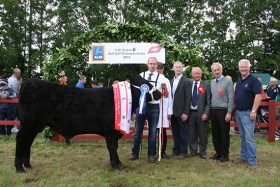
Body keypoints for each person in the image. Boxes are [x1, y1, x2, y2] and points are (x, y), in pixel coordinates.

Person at [130, 57, 166, 163]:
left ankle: (151, 155)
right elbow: (135, 92)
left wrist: (165, 89)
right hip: (142, 106)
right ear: (147, 64)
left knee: (153, 132)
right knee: (137, 131)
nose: (153, 65)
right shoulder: (142, 75)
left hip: (155, 107)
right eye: (151, 63)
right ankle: (134, 153)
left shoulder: (161, 78)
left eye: (155, 64)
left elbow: (165, 95)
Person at [233, 59, 262, 170]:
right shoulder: (240, 81)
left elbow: (258, 96)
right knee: (243, 137)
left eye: (245, 67)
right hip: (239, 113)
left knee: (249, 138)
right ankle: (243, 157)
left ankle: (252, 161)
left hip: (248, 113)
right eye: (241, 67)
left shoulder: (254, 80)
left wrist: (254, 111)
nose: (243, 69)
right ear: (239, 68)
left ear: (249, 67)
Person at [210, 62, 234, 162]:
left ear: (222, 70)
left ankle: (225, 154)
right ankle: (218, 152)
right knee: (215, 133)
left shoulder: (228, 81)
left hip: (223, 110)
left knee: (224, 133)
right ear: (212, 71)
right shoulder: (212, 82)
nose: (216, 72)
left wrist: (229, 112)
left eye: (218, 69)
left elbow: (231, 98)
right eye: (214, 70)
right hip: (213, 110)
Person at [170, 61, 192, 159]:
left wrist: (186, 112)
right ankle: (176, 150)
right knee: (175, 132)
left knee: (183, 132)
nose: (178, 69)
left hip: (182, 112)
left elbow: (188, 98)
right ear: (173, 68)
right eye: (176, 67)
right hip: (172, 112)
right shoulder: (170, 81)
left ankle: (183, 152)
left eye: (180, 67)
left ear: (182, 68)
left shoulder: (186, 81)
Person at [188, 67, 211, 159]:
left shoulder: (206, 85)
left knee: (202, 133)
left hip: (202, 113)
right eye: (195, 73)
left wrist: (206, 113)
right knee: (191, 133)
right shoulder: (188, 84)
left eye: (198, 73)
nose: (197, 75)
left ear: (201, 74)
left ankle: (203, 152)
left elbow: (209, 101)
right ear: (192, 74)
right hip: (190, 113)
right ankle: (193, 151)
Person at [156, 62, 173, 159]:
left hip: (164, 109)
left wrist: (169, 111)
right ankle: (152, 152)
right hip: (154, 108)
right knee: (153, 132)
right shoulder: (152, 79)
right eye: (158, 68)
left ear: (163, 69)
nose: (159, 70)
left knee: (163, 132)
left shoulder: (166, 80)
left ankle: (162, 151)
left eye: (161, 68)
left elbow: (169, 96)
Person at [8, 68, 21, 133]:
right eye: (19, 73)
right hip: (14, 100)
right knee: (15, 113)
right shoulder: (14, 81)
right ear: (16, 73)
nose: (19, 75)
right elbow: (16, 92)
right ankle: (14, 127)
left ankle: (11, 127)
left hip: (8, 100)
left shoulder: (9, 79)